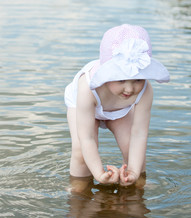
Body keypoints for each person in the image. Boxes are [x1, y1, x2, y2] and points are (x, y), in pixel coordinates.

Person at [64, 24, 170, 187]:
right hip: (84, 107)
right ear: (108, 73)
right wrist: (99, 173)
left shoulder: (145, 91)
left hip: (120, 109)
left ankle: (135, 186)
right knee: (80, 152)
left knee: (134, 152)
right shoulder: (87, 87)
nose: (129, 89)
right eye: (120, 80)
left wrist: (134, 171)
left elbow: (139, 134)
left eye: (138, 79)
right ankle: (78, 191)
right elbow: (87, 138)